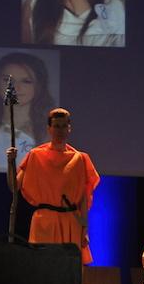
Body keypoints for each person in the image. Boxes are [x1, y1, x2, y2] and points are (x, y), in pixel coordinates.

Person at [7, 108, 99, 264]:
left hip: (70, 222)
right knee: (43, 267)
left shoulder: (79, 159)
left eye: (63, 126)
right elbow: (14, 187)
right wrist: (10, 162)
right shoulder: (36, 155)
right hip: (44, 222)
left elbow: (83, 198)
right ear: (49, 129)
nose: (60, 130)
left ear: (69, 128)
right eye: (56, 126)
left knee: (68, 270)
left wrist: (85, 229)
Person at [0, 52, 55, 172]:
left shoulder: (50, 131)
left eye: (26, 81)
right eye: (7, 80)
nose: (15, 87)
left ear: (39, 86)